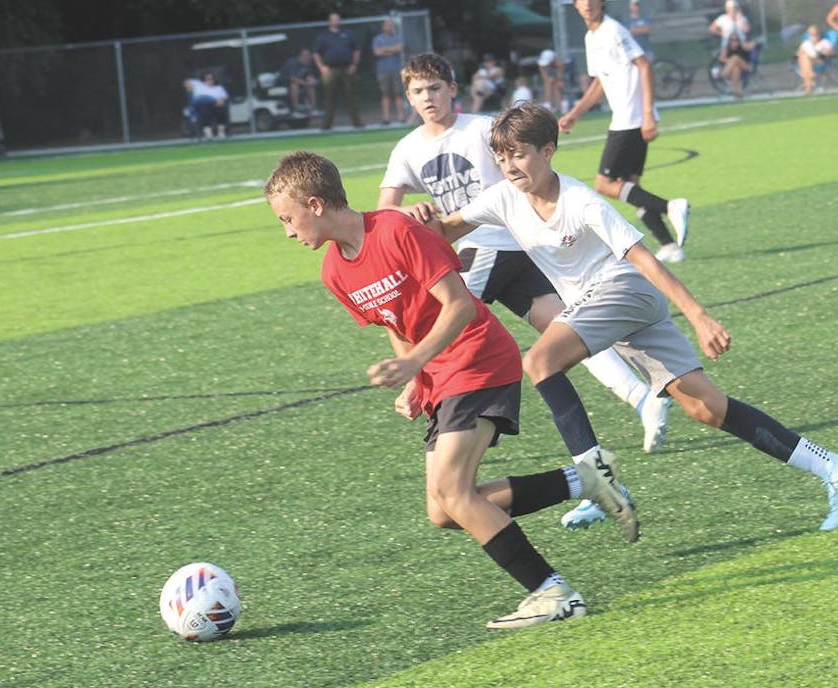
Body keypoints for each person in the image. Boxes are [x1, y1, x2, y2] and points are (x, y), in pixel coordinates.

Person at [436, 102, 838, 534]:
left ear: (548, 151)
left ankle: (596, 479)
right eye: (501, 156)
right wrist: (422, 223)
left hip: (623, 290)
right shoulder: (502, 198)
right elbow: (448, 228)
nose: (509, 166)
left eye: (519, 154)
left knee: (539, 361)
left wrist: (699, 317)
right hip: (606, 305)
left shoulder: (582, 201)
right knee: (705, 407)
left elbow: (645, 260)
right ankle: (835, 466)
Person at [264, 150, 637, 629]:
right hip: (442, 376)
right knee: (443, 511)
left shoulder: (398, 232)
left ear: (315, 204)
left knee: (453, 491)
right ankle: (582, 480)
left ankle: (554, 593)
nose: (287, 232)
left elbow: (459, 305)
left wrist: (416, 360)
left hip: (479, 357)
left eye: (287, 219)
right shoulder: (334, 271)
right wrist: (415, 377)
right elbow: (393, 320)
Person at [378, 53, 672, 532]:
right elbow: (387, 209)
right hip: (496, 247)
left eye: (435, 88)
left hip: (493, 246)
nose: (427, 98)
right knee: (565, 330)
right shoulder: (408, 148)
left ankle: (421, 386)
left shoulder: (479, 129)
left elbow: (524, 156)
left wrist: (414, 373)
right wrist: (412, 211)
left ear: (454, 88)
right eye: (417, 92)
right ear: (408, 97)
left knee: (443, 322)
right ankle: (642, 397)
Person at [559, 0, 690, 264]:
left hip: (630, 120)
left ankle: (670, 207)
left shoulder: (614, 30)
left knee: (603, 184)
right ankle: (669, 245)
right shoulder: (591, 36)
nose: (587, 5)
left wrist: (647, 113)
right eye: (581, 1)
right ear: (575, 5)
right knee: (631, 186)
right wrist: (574, 114)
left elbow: (644, 65)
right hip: (626, 119)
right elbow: (599, 82)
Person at [313, 12, 364, 129]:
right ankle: (327, 126)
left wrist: (354, 65)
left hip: (347, 69)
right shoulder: (324, 36)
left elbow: (356, 50)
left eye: (337, 19)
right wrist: (322, 67)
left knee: (351, 97)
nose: (336, 21)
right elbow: (316, 54)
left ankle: (357, 123)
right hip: (330, 70)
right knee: (330, 98)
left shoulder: (347, 34)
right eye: (333, 19)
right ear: (329, 21)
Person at [372, 17, 407, 125]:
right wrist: (392, 49)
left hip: (397, 70)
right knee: (385, 94)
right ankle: (386, 118)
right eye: (387, 25)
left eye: (390, 25)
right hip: (383, 71)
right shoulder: (378, 39)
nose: (389, 27)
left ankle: (401, 117)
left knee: (398, 94)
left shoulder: (398, 37)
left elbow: (399, 48)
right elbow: (377, 52)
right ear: (383, 27)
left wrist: (385, 50)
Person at [183, 72, 229, 140]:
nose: (210, 80)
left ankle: (221, 133)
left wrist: (220, 101)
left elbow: (225, 97)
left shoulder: (219, 88)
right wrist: (188, 87)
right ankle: (208, 134)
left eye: (211, 79)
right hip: (204, 106)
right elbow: (186, 82)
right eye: (207, 79)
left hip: (217, 105)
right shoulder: (199, 86)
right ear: (204, 80)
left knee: (221, 108)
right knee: (204, 108)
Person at [277, 48, 320, 114]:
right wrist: (306, 84)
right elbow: (292, 78)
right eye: (306, 55)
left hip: (300, 83)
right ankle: (296, 110)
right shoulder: (292, 62)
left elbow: (309, 76)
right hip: (284, 84)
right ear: (300, 56)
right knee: (294, 86)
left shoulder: (307, 64)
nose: (309, 57)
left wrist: (314, 81)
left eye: (309, 55)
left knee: (311, 86)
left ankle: (313, 108)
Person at [797, 25, 837, 94]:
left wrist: (824, 51)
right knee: (804, 58)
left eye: (816, 34)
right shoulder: (807, 43)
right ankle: (809, 84)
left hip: (819, 60)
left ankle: (808, 87)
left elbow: (832, 52)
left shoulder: (824, 42)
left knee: (804, 61)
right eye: (812, 34)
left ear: (820, 34)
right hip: (807, 61)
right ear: (809, 35)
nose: (814, 36)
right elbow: (798, 54)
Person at [718, 29, 754, 98]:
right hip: (732, 69)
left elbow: (752, 45)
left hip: (746, 67)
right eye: (732, 39)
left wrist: (733, 60)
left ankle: (722, 76)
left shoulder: (743, 46)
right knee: (735, 68)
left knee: (735, 58)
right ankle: (737, 92)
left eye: (736, 39)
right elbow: (721, 59)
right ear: (729, 40)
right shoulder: (726, 48)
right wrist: (731, 61)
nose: (734, 41)